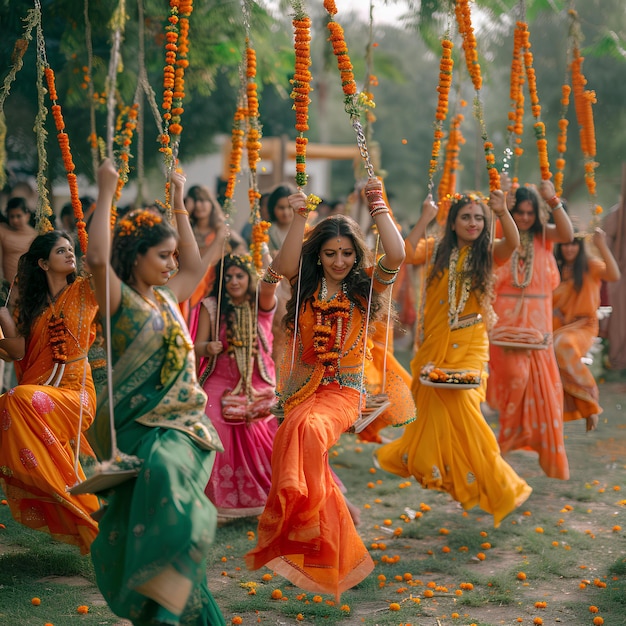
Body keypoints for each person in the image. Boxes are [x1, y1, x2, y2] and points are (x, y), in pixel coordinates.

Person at [245, 178, 405, 600]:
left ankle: (314, 532)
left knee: (311, 433)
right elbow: (279, 266)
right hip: (303, 394)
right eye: (330, 253)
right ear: (318, 254)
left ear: (357, 255)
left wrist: (377, 202)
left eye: (347, 253)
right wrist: (299, 216)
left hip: (345, 394)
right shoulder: (304, 291)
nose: (339, 261)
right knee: (296, 436)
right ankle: (324, 542)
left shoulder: (364, 290)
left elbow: (399, 253)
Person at [86, 160, 226, 626]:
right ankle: (171, 603)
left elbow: (194, 263)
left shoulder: (169, 297)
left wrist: (179, 202)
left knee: (167, 472)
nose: (172, 265)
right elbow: (98, 260)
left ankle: (168, 585)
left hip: (181, 426)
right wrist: (106, 192)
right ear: (136, 256)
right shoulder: (118, 301)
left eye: (171, 256)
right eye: (161, 256)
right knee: (143, 524)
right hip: (135, 432)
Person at [374, 191, 532, 527]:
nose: (473, 223)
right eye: (466, 217)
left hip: (472, 341)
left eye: (478, 218)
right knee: (439, 408)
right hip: (435, 344)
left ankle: (500, 483)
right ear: (453, 221)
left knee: (463, 405)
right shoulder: (434, 250)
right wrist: (424, 218)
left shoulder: (488, 253)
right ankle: (458, 477)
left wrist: (503, 213)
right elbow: (403, 253)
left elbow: (512, 243)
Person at [0, 230, 100, 553]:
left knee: (16, 398)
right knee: (5, 403)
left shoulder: (85, 290)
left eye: (71, 249)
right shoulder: (35, 310)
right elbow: (19, 351)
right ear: (43, 263)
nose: (70, 254)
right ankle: (59, 491)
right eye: (61, 251)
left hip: (77, 395)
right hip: (43, 393)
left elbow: (98, 261)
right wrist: (2, 317)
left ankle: (57, 488)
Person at [487, 180, 574, 480]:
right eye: (519, 212)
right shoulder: (502, 233)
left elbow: (567, 233)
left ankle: (516, 442)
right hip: (503, 321)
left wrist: (552, 200)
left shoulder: (543, 236)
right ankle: (505, 436)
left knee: (540, 385)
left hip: (538, 323)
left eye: (528, 212)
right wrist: (501, 211)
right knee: (514, 377)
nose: (524, 218)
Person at [194, 252, 279, 523]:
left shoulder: (260, 303)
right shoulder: (211, 305)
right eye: (228, 276)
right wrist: (208, 347)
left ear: (249, 278)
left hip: (256, 383)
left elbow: (271, 284)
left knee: (261, 424)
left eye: (239, 275)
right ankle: (215, 504)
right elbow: (195, 345)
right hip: (220, 380)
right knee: (212, 422)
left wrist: (265, 255)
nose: (233, 281)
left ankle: (264, 499)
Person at [553, 228, 620, 431]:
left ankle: (589, 397)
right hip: (560, 324)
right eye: (566, 243)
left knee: (562, 344)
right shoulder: (556, 269)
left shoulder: (589, 266)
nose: (570, 248)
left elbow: (614, 275)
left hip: (584, 325)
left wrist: (601, 245)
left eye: (574, 243)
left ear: (580, 246)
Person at [181, 183, 246, 339]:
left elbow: (241, 249)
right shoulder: (187, 229)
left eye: (203, 200)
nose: (199, 205)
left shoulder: (220, 230)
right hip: (192, 288)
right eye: (195, 201)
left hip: (215, 287)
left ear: (211, 203)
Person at [603, 202, 626, 372]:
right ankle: (618, 361)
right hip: (620, 275)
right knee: (620, 319)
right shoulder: (617, 214)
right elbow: (606, 243)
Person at [0, 196, 38, 285]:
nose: (15, 220)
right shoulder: (2, 230)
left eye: (18, 216)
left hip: (29, 284)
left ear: (27, 216)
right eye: (11, 216)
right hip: (7, 286)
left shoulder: (35, 235)